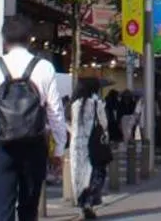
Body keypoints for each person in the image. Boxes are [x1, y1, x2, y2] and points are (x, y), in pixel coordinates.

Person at [0, 17, 68, 221]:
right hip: (34, 143)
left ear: (4, 40)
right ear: (29, 40)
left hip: (1, 143)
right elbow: (55, 112)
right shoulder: (44, 67)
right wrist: (58, 149)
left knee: (1, 209)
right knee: (29, 209)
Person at [69, 78, 112, 220]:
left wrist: (73, 132)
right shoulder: (97, 103)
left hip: (76, 146)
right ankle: (90, 204)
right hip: (93, 145)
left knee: (80, 177)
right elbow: (104, 123)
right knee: (97, 174)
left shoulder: (74, 104)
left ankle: (82, 207)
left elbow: (66, 121)